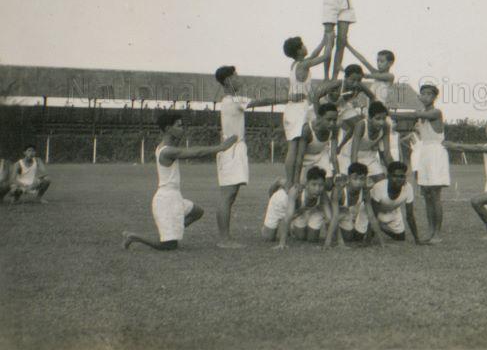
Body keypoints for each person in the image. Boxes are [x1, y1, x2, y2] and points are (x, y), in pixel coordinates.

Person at [122, 113, 238, 251]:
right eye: (178, 125)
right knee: (169, 246)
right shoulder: (167, 151)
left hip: (173, 197)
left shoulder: (165, 146)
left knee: (197, 212)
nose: (182, 128)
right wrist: (221, 147)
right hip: (166, 201)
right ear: (168, 128)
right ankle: (134, 237)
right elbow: (196, 153)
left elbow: (180, 142)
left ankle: (171, 229)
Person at [214, 66, 287, 248]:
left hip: (235, 149)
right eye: (236, 76)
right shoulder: (234, 99)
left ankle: (225, 238)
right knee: (228, 194)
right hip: (232, 149)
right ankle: (224, 240)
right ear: (229, 80)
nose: (239, 78)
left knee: (231, 195)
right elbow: (262, 101)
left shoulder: (229, 100)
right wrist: (288, 99)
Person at [393, 85, 450, 243]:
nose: (425, 96)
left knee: (435, 195)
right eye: (423, 93)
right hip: (424, 153)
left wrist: (389, 113)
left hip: (436, 153)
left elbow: (414, 114)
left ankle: (437, 233)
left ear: (434, 97)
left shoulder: (436, 112)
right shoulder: (421, 116)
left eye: (429, 94)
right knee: (426, 195)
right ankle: (430, 231)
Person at [283, 35, 333, 186]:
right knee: (294, 148)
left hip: (293, 108)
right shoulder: (304, 65)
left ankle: (291, 180)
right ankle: (291, 181)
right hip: (298, 109)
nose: (306, 47)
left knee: (295, 146)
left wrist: (323, 40)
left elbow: (313, 56)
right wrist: (330, 41)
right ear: (299, 50)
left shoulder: (296, 65)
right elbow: (326, 56)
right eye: (303, 45)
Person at [262, 166, 332, 248]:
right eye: (314, 184)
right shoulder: (296, 191)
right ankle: (280, 181)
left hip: (298, 211)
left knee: (303, 237)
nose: (317, 188)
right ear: (307, 184)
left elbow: (330, 218)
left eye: (320, 185)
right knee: (268, 238)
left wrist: (327, 243)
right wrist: (282, 243)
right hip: (279, 205)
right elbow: (288, 216)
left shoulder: (323, 195)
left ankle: (292, 227)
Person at [366, 161, 428, 244]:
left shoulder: (408, 188)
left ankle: (381, 227)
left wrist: (417, 240)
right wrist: (368, 241)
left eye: (402, 176)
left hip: (392, 210)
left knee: (400, 237)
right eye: (395, 176)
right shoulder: (379, 187)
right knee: (358, 236)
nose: (399, 179)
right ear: (388, 176)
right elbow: (373, 215)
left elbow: (410, 215)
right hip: (373, 211)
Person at [324, 162, 382, 248]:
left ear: (365, 179)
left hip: (343, 212)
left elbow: (371, 216)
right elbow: (334, 216)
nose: (358, 182)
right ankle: (331, 234)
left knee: (349, 237)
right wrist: (334, 243)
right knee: (330, 219)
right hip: (327, 212)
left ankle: (350, 224)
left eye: (362, 179)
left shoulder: (365, 192)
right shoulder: (339, 190)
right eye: (355, 178)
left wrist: (382, 242)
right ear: (348, 178)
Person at [293, 103, 339, 187]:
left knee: (328, 185)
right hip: (305, 159)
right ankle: (281, 182)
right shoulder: (307, 129)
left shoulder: (334, 129)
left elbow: (334, 156)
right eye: (329, 119)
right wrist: (296, 181)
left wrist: (337, 174)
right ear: (320, 118)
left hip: (321, 155)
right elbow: (300, 157)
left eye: (335, 120)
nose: (332, 123)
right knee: (305, 185)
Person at [350, 101, 393, 183]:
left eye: (384, 119)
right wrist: (355, 173)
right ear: (369, 118)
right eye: (378, 119)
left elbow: (387, 153)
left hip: (369, 156)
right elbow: (353, 154)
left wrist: (394, 172)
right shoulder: (361, 125)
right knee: (358, 183)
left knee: (382, 181)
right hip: (352, 156)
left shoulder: (385, 127)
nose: (381, 122)